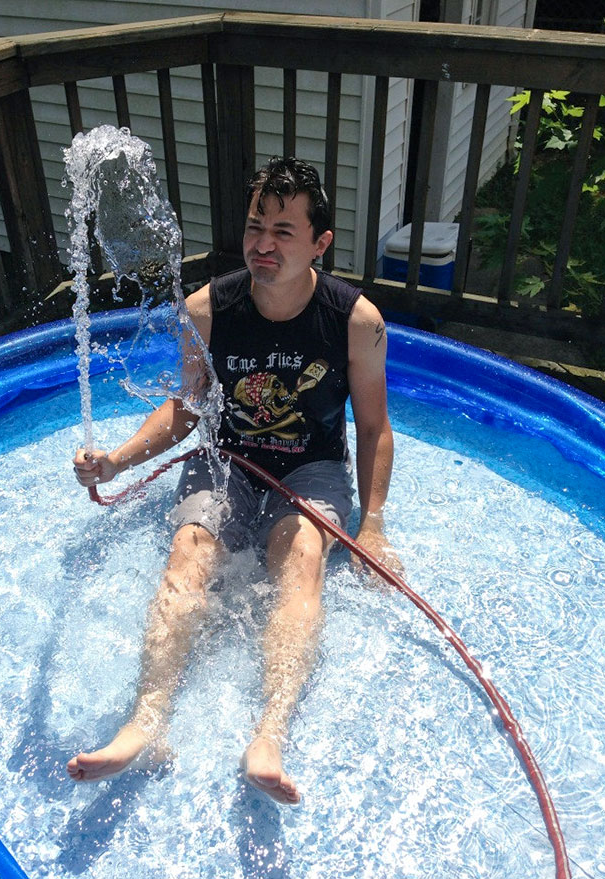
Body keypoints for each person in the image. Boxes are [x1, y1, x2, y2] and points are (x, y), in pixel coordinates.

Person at [67, 157, 395, 805]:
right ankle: (146, 720)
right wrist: (117, 460)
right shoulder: (207, 308)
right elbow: (188, 407)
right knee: (188, 552)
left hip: (311, 467)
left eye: (282, 230)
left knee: (300, 556)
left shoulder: (355, 320)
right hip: (227, 461)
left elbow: (374, 426)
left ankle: (269, 732)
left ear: (320, 243)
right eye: (254, 228)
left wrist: (373, 522)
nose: (262, 245)